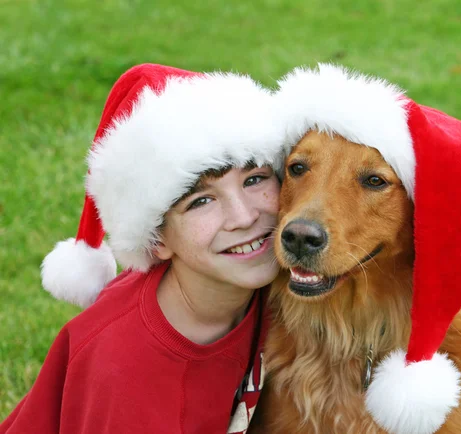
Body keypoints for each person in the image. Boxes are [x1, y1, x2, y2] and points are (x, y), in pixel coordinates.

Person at [0, 63, 285, 434]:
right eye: (200, 201)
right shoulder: (120, 365)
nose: (244, 216)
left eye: (255, 179)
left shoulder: (290, 287)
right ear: (157, 239)